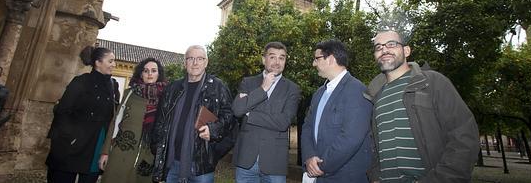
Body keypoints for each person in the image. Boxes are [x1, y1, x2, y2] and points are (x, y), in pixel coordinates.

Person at [365, 29, 479, 182]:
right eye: (378, 47)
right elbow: (375, 145)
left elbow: (464, 137)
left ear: (406, 50)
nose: (384, 50)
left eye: (391, 44)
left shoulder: (433, 83)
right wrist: (375, 176)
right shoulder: (374, 95)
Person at [151, 45, 236, 183]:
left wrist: (213, 130)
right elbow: (160, 121)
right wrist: (158, 152)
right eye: (190, 58)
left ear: (206, 62)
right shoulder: (172, 88)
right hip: (171, 162)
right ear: (185, 63)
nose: (195, 63)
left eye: (200, 58)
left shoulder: (218, 87)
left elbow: (230, 118)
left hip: (201, 166)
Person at [301, 39, 373, 182]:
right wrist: (309, 157)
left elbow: (351, 138)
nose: (313, 63)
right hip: (318, 176)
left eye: (317, 58)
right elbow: (307, 127)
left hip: (345, 176)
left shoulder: (357, 90)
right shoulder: (319, 93)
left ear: (331, 59)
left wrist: (323, 166)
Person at [46, 46, 120, 183]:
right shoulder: (80, 82)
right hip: (71, 144)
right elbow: (62, 111)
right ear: (98, 63)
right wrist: (71, 136)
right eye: (110, 61)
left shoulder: (113, 86)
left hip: (96, 144)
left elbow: (112, 117)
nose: (114, 64)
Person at [232, 42, 301, 183]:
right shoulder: (248, 83)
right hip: (246, 160)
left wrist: (250, 113)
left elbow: (283, 122)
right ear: (264, 59)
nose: (277, 62)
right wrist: (263, 88)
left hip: (274, 162)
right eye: (272, 57)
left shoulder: (292, 89)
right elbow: (238, 110)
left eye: (281, 58)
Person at [100, 57, 168, 183]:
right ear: (141, 73)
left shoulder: (166, 98)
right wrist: (105, 152)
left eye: (153, 71)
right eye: (146, 70)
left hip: (148, 156)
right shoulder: (129, 93)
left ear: (159, 74)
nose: (149, 74)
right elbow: (115, 122)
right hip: (121, 152)